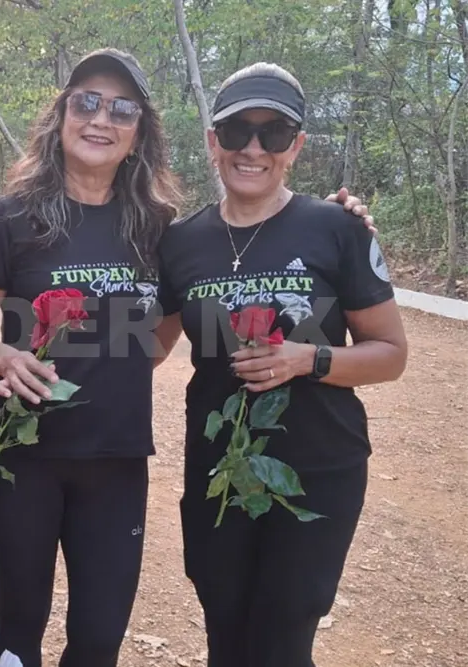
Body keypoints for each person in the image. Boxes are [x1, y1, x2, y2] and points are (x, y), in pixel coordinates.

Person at [0, 50, 377, 667]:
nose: (102, 117)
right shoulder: (15, 216)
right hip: (21, 455)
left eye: (122, 107)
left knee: (99, 638)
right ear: (61, 116)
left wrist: (345, 224)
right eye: (87, 101)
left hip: (117, 459)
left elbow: (157, 340)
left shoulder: (157, 228)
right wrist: (2, 358)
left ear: (139, 132)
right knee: (21, 621)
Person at [157, 63, 408, 667]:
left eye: (273, 134)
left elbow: (391, 355)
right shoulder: (181, 241)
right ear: (212, 140)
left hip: (318, 467)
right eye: (237, 130)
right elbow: (145, 344)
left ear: (295, 146)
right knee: (225, 628)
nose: (253, 148)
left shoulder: (336, 229)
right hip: (219, 469)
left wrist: (309, 358)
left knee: (283, 637)